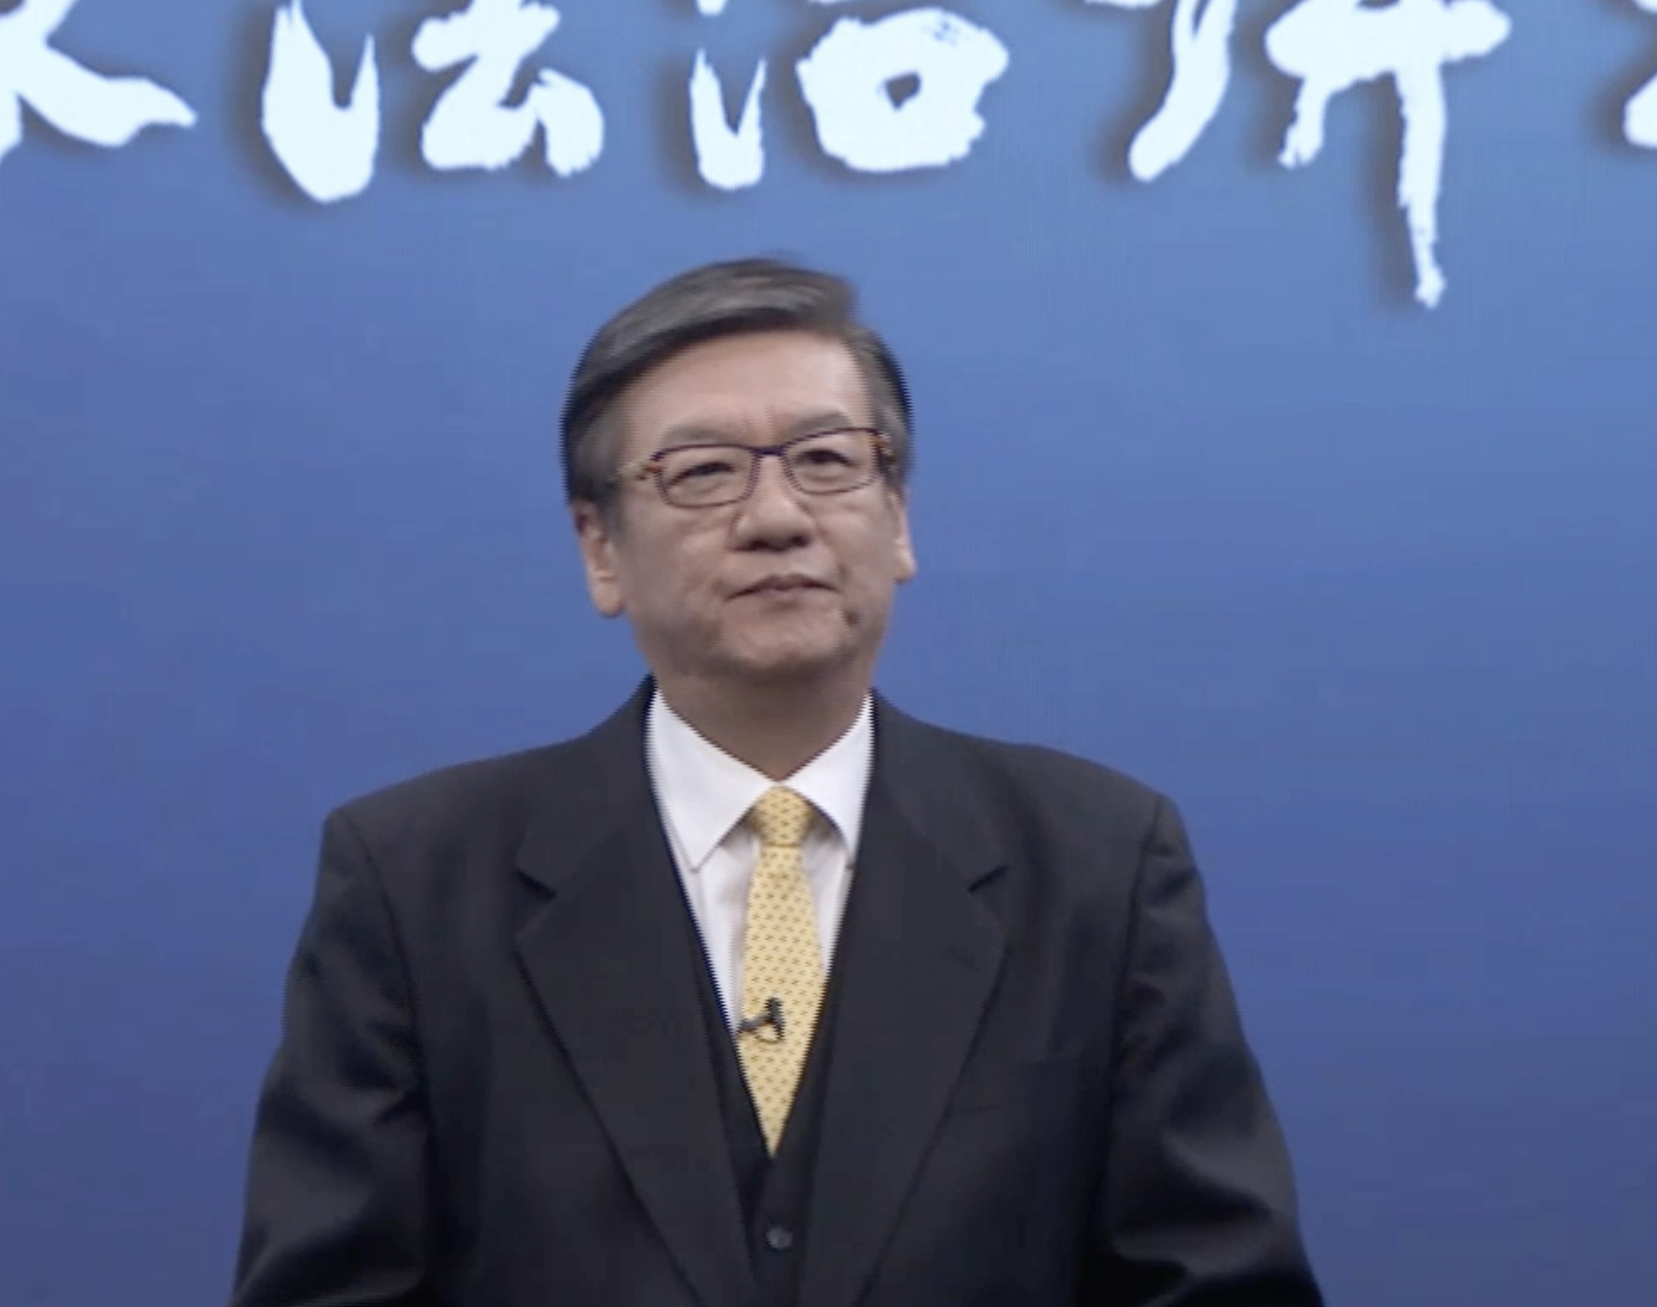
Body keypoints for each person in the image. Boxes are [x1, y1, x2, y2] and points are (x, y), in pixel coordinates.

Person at [227, 257, 1325, 1307]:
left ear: (897, 518)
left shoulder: (1096, 863)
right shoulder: (415, 884)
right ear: (599, 548)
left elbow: (1214, 1283)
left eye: (826, 460)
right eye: (703, 472)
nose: (775, 517)